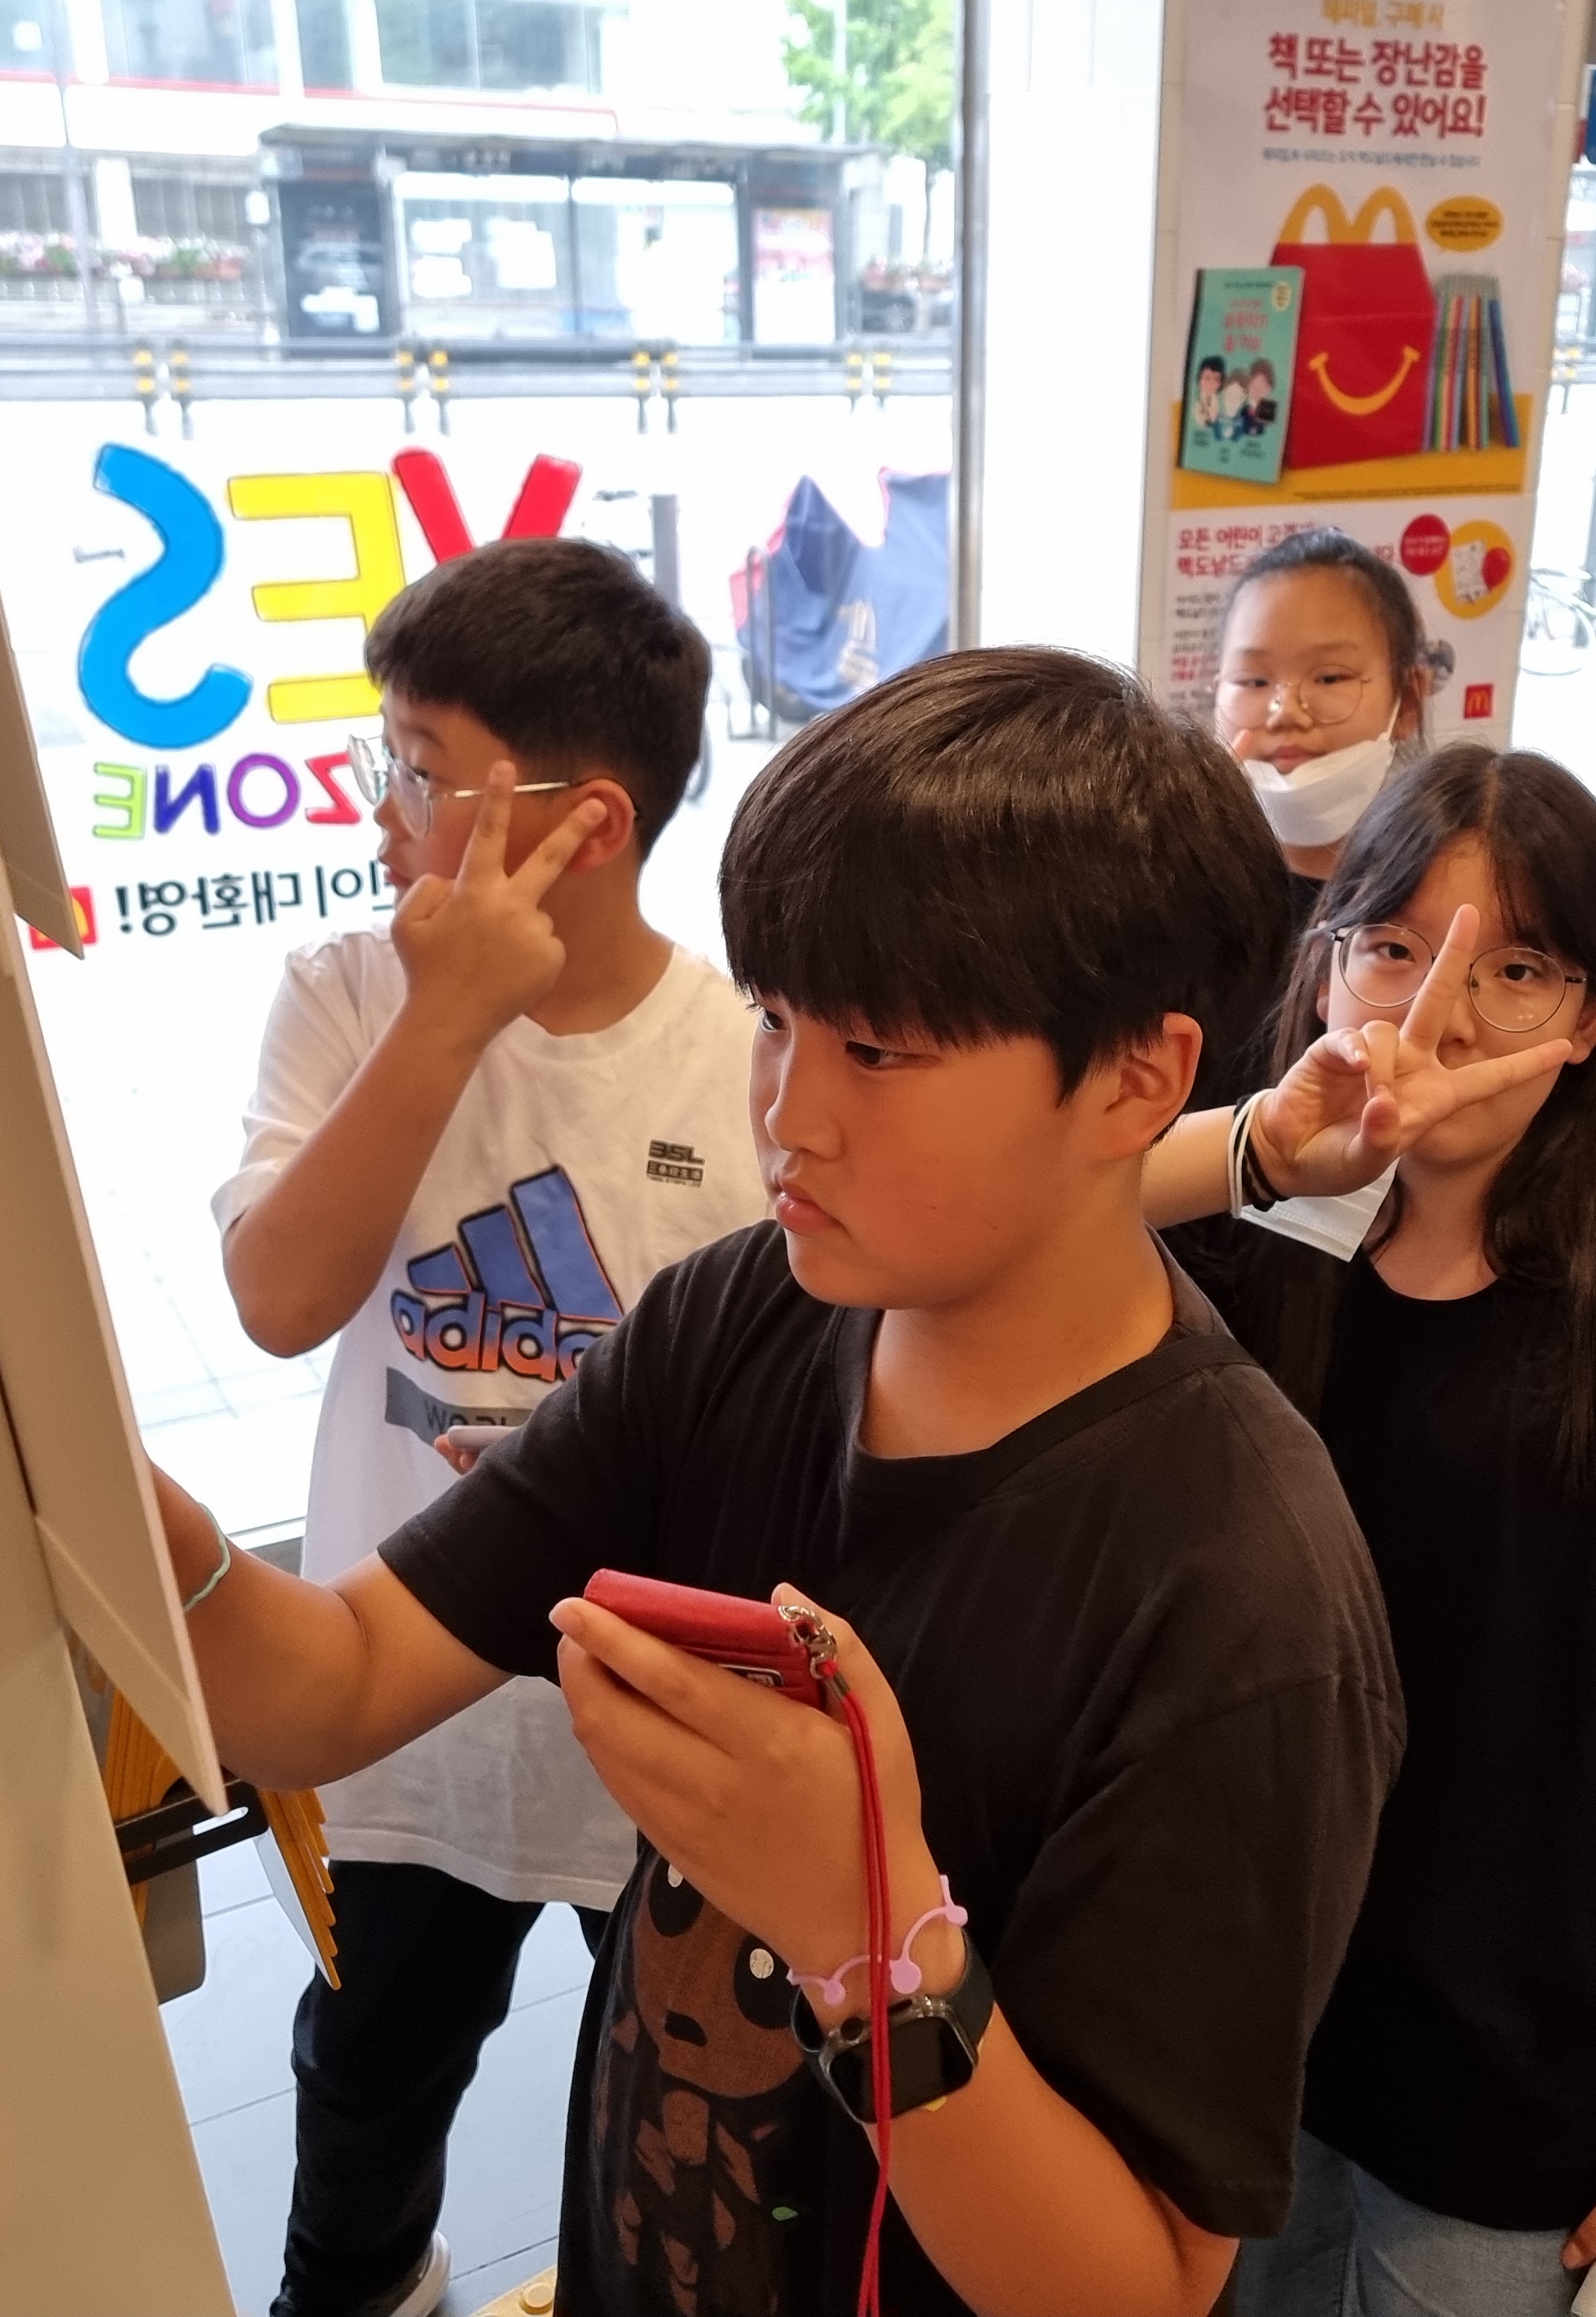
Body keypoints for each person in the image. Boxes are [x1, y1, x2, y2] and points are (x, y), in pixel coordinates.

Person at [159, 648, 1407, 2317]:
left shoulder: (1240, 1593)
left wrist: (863, 1934)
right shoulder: (737, 1316)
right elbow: (341, 1683)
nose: (785, 1113)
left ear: (1134, 1077)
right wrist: (145, 1526)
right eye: (772, 1018)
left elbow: (1133, 2288)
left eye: (874, 1051)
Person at [1144, 745, 1596, 2317]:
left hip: (1503, 2064)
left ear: (1594, 1017)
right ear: (1322, 966)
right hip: (1237, 2017)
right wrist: (1267, 1145)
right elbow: (1027, 1216)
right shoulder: (1258, 1251)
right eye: (1390, 948)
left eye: (1515, 969)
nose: (1441, 1016)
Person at [215, 538, 769, 2317]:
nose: (379, 813)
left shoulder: (739, 1056)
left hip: (649, 1732)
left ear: (579, 823)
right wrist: (446, 1019)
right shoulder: (345, 994)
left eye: (417, 770)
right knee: (367, 2074)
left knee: (656, 2103)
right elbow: (279, 1297)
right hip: (393, 1698)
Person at [1195, 527, 1433, 1109]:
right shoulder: (1175, 889)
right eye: (1253, 682)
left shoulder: (1438, 895)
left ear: (1409, 699)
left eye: (1329, 678)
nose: (1286, 712)